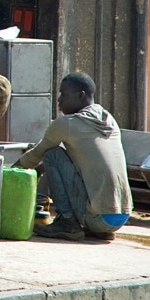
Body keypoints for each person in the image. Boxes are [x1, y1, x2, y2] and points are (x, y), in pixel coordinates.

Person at [17, 71, 132, 242]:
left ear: (80, 96)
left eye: (63, 94)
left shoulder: (67, 124)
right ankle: (99, 229)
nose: (59, 100)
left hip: (98, 218)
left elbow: (35, 155)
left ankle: (67, 223)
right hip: (122, 214)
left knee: (52, 154)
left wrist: (9, 173)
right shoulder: (108, 120)